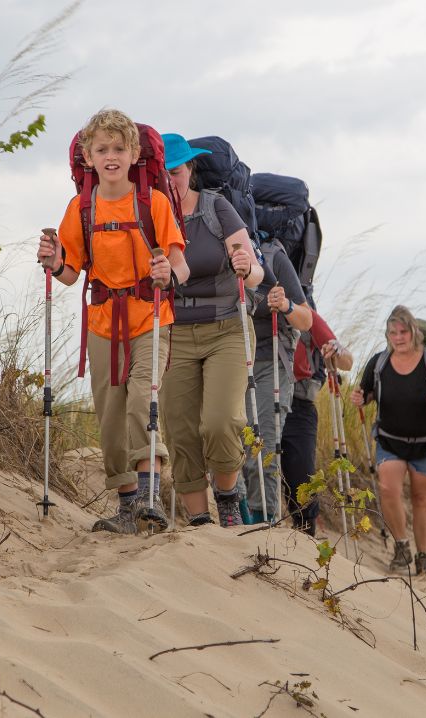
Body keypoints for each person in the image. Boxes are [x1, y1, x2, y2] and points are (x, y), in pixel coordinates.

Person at [37, 109, 190, 534]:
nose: (111, 156)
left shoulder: (153, 203)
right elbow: (70, 274)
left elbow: (180, 261)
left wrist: (169, 274)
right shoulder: (81, 207)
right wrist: (53, 262)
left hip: (151, 317)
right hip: (102, 322)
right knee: (109, 415)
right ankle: (128, 507)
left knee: (144, 399)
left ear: (133, 153)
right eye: (101, 149)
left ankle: (150, 497)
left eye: (119, 149)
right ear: (87, 156)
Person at [158, 133, 264, 528]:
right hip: (175, 333)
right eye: (164, 174)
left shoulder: (217, 208)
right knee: (180, 430)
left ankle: (228, 499)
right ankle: (201, 524)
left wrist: (246, 267)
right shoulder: (151, 217)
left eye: (178, 171)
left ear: (191, 170)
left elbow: (255, 271)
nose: (172, 180)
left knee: (221, 422)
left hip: (227, 330)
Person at [351, 306, 426, 573]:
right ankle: (401, 547)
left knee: (421, 498)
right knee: (388, 489)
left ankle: (423, 554)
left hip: (425, 442)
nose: (398, 338)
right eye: (393, 332)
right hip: (389, 439)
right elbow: (366, 394)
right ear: (387, 335)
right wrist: (360, 399)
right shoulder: (379, 363)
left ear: (414, 333)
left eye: (403, 332)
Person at [238, 238, 313, 524]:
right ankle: (240, 519)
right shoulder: (211, 245)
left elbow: (306, 319)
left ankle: (262, 524)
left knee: (262, 449)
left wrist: (284, 304)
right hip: (230, 360)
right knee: (227, 448)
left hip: (270, 362)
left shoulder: (273, 257)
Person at [281, 298, 352, 535]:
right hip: (261, 401)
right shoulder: (249, 302)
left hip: (298, 407)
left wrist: (336, 352)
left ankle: (305, 537)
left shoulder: (305, 314)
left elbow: (347, 361)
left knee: (302, 484)